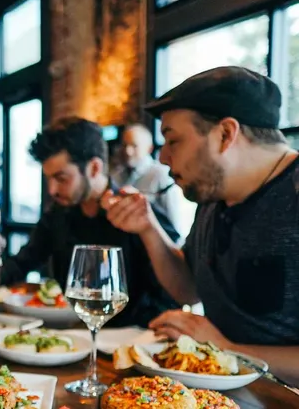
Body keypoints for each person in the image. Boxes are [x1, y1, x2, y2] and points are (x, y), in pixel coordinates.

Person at [102, 66, 299, 385]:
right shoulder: (213, 196)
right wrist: (148, 228)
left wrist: (226, 349)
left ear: (225, 134)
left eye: (173, 140)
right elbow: (188, 288)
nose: (163, 158)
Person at [2, 117, 180, 328]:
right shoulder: (58, 214)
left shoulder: (137, 213)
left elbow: (172, 295)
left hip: (128, 339)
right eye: (48, 179)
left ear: (94, 168)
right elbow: (22, 263)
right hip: (71, 334)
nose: (52, 190)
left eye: (61, 178)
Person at [111, 123, 192, 240]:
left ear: (149, 148)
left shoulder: (162, 175)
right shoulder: (116, 175)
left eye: (134, 146)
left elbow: (175, 225)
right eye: (124, 145)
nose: (128, 151)